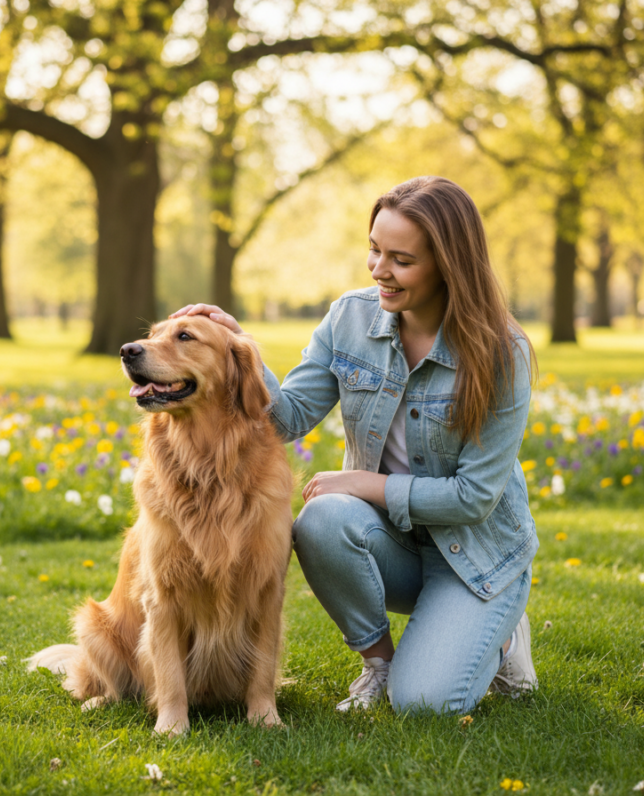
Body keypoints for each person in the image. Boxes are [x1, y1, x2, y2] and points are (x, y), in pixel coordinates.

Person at [171, 176, 539, 715]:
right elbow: (286, 418)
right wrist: (234, 348)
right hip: (390, 540)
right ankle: (380, 663)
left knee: (424, 705)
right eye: (373, 250)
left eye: (401, 259)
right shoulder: (351, 318)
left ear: (448, 264)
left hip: (476, 554)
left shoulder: (502, 353)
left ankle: (503, 633)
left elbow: (474, 498)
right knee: (321, 519)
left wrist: (366, 483)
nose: (378, 270)